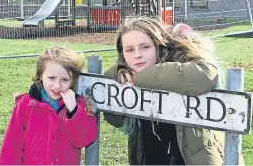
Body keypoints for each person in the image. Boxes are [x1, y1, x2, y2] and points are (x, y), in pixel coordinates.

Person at [103, 17, 242, 165]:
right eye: (129, 50)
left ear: (159, 45)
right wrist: (118, 71)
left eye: (145, 47)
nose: (137, 54)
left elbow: (207, 75)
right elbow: (115, 119)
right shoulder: (125, 74)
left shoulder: (183, 59)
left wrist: (139, 78)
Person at [0, 46, 98, 165]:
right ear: (40, 75)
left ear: (73, 80)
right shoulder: (26, 105)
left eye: (65, 80)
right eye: (52, 78)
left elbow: (83, 140)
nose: (57, 85)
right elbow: (12, 145)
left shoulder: (78, 105)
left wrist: (74, 110)